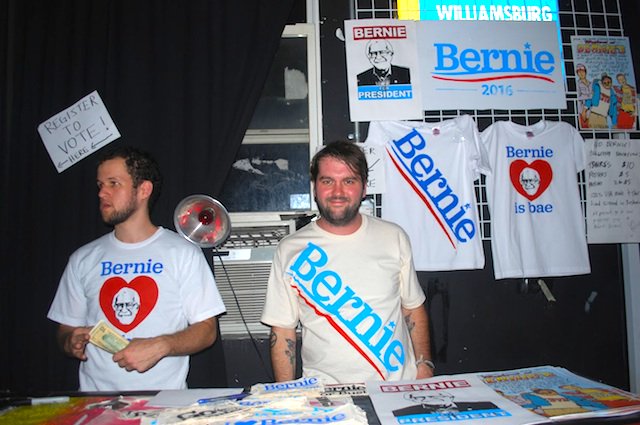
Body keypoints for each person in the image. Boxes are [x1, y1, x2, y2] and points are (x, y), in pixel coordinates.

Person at [47, 146, 226, 391]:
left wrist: (160, 346)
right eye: (100, 185)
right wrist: (71, 340)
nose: (102, 193)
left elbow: (206, 331)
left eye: (113, 183)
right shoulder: (83, 258)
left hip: (164, 402)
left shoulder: (183, 253)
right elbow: (65, 328)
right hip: (95, 401)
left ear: (143, 190)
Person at [261, 141, 433, 384]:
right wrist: (285, 391)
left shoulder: (394, 237)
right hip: (324, 392)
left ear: (364, 188)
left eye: (349, 181)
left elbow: (413, 307)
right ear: (315, 188)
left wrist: (424, 366)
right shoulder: (290, 250)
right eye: (327, 181)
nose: (338, 192)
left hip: (396, 387)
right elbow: (282, 330)